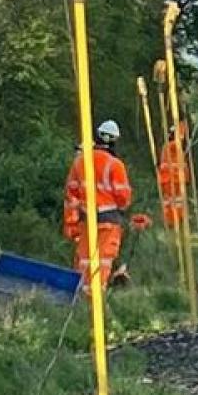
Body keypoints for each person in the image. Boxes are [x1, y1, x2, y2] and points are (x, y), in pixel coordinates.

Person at [64, 120, 133, 289]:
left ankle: (81, 296)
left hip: (85, 221)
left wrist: (71, 224)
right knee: (102, 262)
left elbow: (71, 196)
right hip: (108, 223)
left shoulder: (79, 163)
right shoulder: (115, 165)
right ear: (115, 141)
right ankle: (96, 300)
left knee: (84, 261)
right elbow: (123, 198)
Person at [157, 120, 190, 230]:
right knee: (175, 201)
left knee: (172, 200)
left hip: (169, 178)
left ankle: (174, 219)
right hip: (173, 178)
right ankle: (173, 219)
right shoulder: (172, 146)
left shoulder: (167, 146)